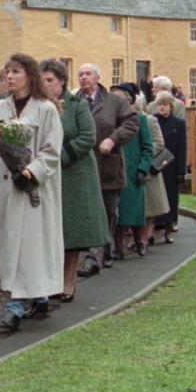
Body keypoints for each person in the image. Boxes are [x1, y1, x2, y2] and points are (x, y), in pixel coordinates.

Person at [0, 53, 63, 333]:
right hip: (7, 188)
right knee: (12, 242)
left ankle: (17, 304)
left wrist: (31, 172)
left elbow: (51, 150)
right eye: (7, 71)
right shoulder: (0, 109)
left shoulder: (45, 109)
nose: (10, 76)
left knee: (32, 243)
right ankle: (36, 295)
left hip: (36, 188)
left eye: (16, 71)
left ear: (30, 76)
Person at [40, 59, 109, 302]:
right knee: (52, 232)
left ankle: (68, 281)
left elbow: (88, 136)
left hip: (74, 174)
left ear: (61, 81)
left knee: (72, 233)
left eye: (50, 80)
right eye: (42, 80)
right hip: (47, 176)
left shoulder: (77, 105)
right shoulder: (37, 107)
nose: (46, 85)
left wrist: (60, 157)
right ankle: (52, 280)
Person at [75, 63, 139, 276]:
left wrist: (112, 139)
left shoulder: (115, 101)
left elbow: (131, 123)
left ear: (97, 77)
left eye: (88, 74)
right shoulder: (74, 102)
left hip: (108, 165)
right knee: (90, 212)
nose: (84, 78)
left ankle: (106, 250)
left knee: (110, 211)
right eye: (80, 74)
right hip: (82, 167)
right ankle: (93, 257)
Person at [115, 83, 153, 257]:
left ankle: (140, 241)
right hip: (114, 170)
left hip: (133, 170)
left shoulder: (140, 118)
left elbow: (147, 147)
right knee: (115, 212)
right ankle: (117, 248)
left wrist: (143, 167)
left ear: (129, 98)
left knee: (135, 210)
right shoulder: (110, 119)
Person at [153, 91, 187, 245]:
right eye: (159, 105)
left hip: (171, 166)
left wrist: (181, 171)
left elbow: (182, 148)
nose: (162, 108)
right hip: (155, 166)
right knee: (155, 199)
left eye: (165, 105)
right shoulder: (153, 121)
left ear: (171, 106)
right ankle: (152, 232)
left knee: (171, 200)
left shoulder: (179, 123)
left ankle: (168, 231)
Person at [137, 92, 169, 254]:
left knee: (149, 207)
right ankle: (139, 239)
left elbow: (158, 143)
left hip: (148, 169)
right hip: (131, 169)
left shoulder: (150, 120)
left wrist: (143, 156)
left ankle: (144, 239)